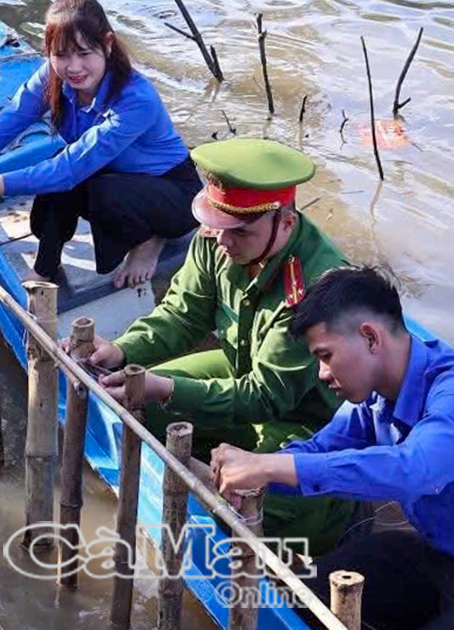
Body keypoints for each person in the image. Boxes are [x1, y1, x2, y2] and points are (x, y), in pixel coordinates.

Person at [211, 265, 454, 630]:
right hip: (446, 558)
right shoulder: (374, 399)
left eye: (326, 356)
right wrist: (256, 469)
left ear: (370, 338)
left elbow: (414, 470)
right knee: (305, 596)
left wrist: (271, 468)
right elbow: (319, 450)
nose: (323, 374)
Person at [78, 138, 357, 555]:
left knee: (270, 508)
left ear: (285, 222)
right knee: (131, 406)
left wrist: (167, 388)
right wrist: (120, 351)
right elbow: (181, 315)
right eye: (217, 226)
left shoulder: (317, 287)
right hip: (236, 370)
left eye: (241, 232)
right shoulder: (217, 239)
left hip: (305, 419)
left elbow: (267, 395)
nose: (224, 243)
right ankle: (198, 475)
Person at [0, 0, 201, 288]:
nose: (73, 68)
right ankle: (45, 268)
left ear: (108, 44)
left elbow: (68, 170)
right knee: (57, 183)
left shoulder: (135, 98)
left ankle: (150, 239)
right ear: (48, 53)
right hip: (108, 173)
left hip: (172, 192)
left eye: (84, 53)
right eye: (61, 55)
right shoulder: (51, 77)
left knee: (92, 185)